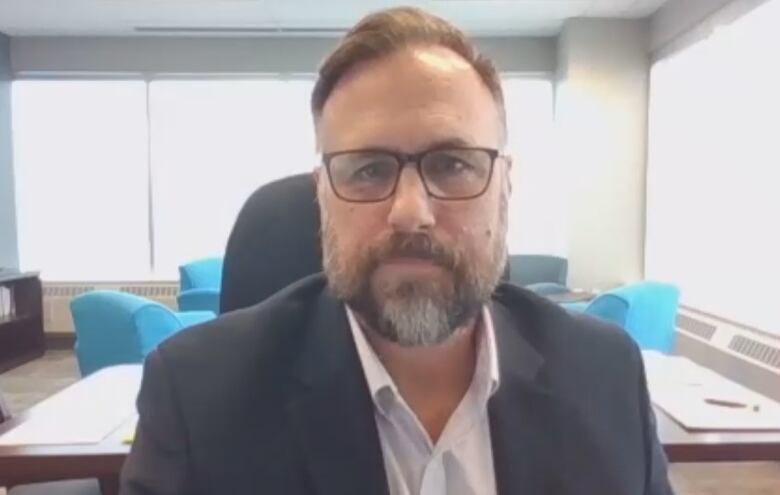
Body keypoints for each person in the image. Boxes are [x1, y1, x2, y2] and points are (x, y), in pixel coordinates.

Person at [120, 7, 674, 495]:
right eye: (368, 168)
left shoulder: (606, 375)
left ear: (505, 187)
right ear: (323, 196)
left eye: (453, 164)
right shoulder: (198, 397)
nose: (411, 211)